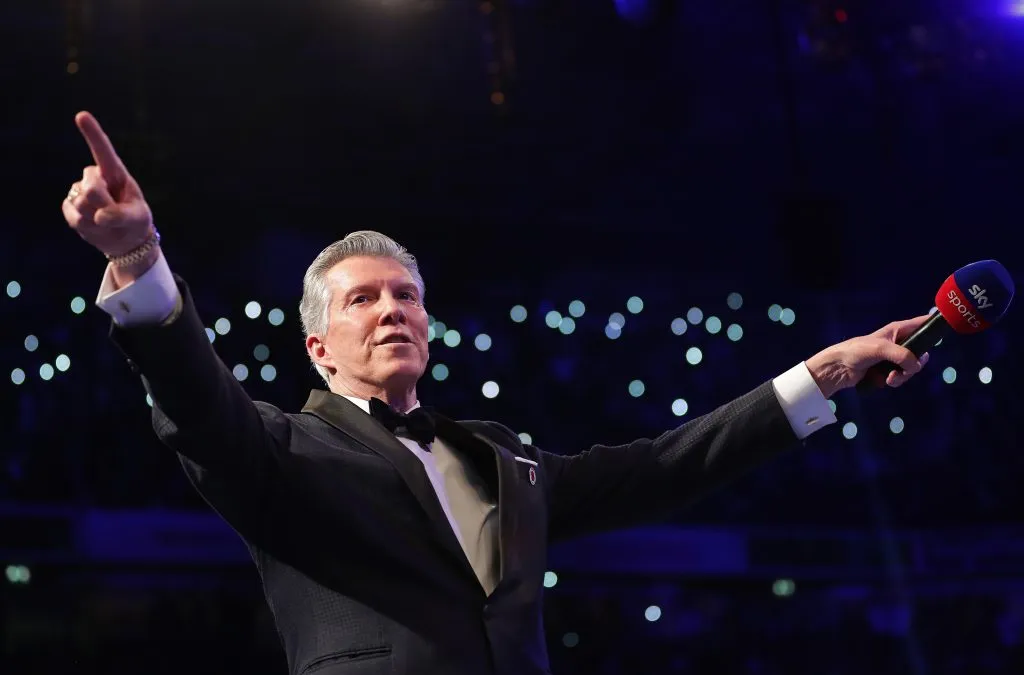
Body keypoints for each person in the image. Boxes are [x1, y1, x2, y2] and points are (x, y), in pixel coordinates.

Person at [61, 111, 930, 675]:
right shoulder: (278, 452)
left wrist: (827, 372)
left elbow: (668, 464)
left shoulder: (502, 455)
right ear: (319, 348)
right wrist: (137, 258)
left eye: (406, 294)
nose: (391, 309)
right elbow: (194, 394)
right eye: (363, 298)